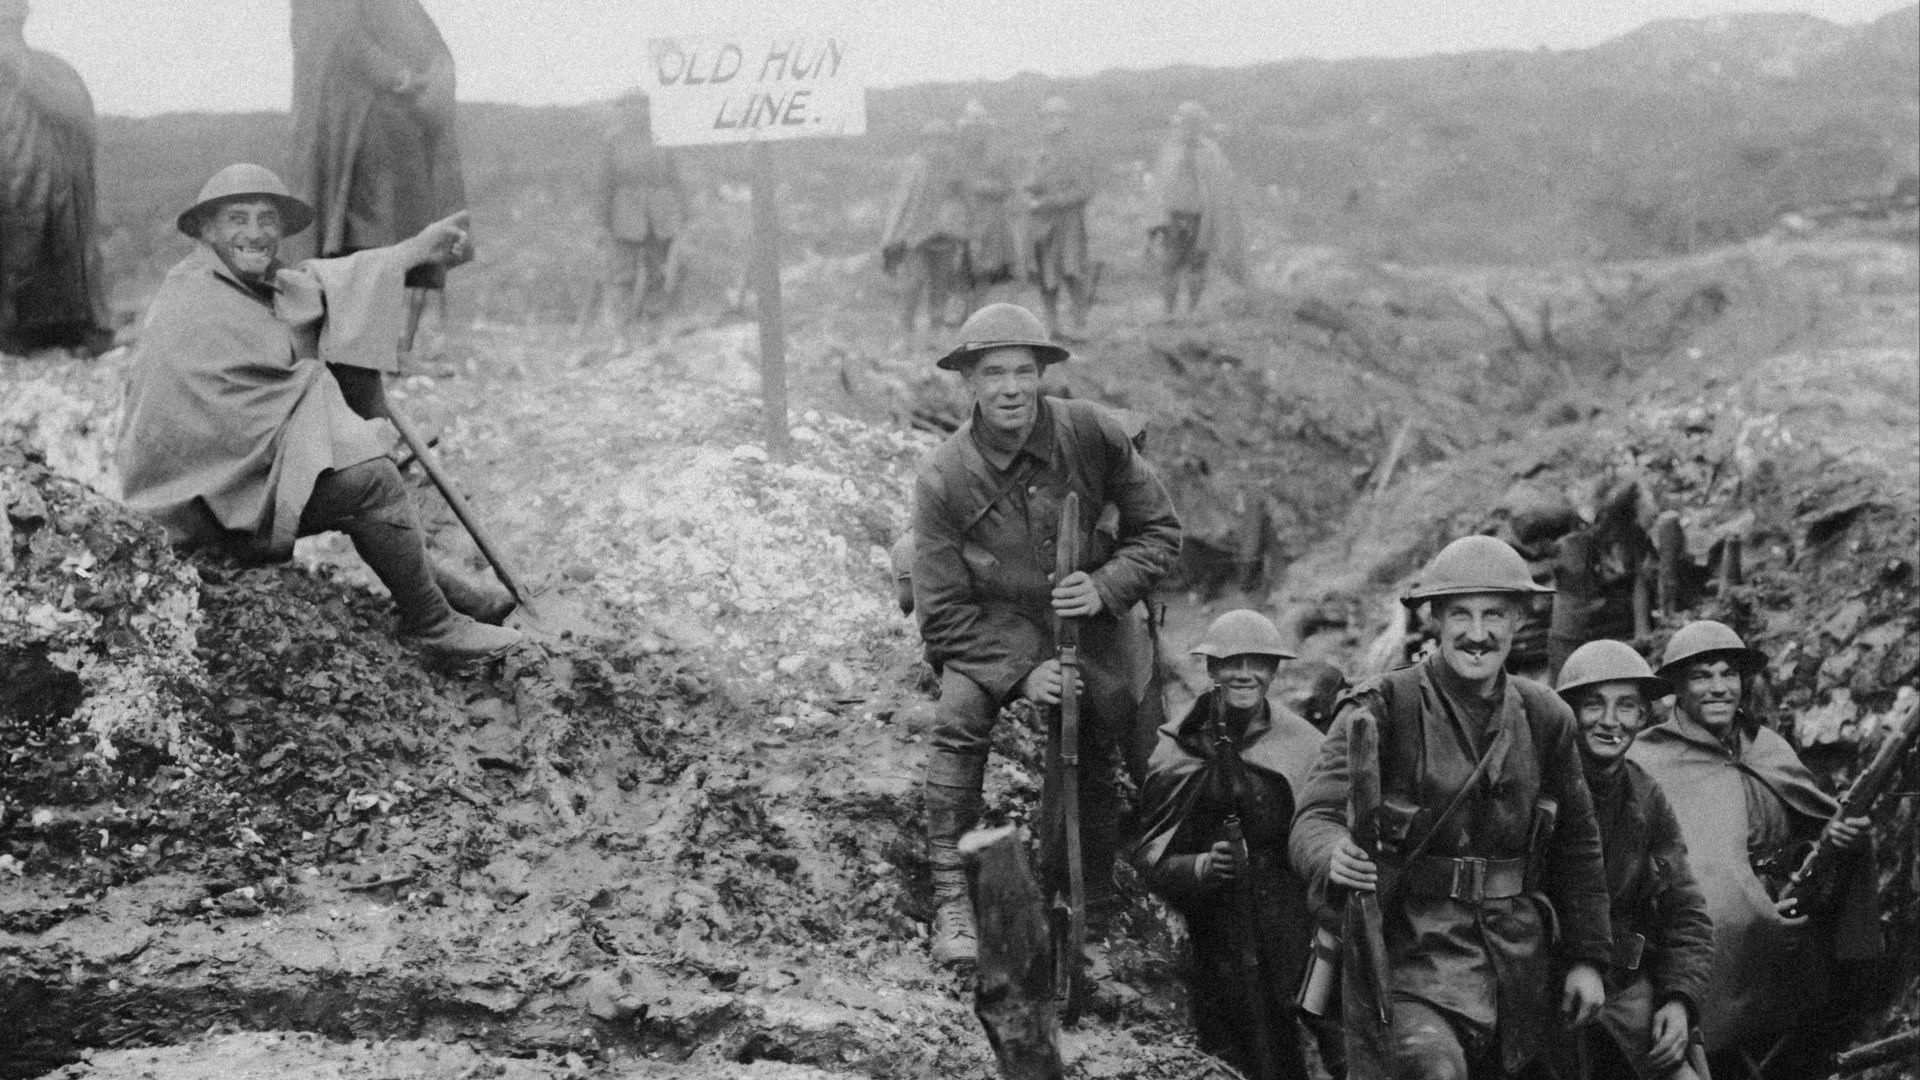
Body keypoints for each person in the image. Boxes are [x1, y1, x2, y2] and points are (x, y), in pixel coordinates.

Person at [115, 164, 519, 667]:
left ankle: (445, 588)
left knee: (349, 456)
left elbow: (319, 285)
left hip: (229, 487)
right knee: (371, 479)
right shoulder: (192, 301)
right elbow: (231, 422)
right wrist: (330, 405)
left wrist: (414, 249)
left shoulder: (249, 284)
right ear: (206, 230)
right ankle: (433, 625)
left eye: (267, 219)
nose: (256, 233)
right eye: (237, 219)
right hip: (197, 514)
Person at [913, 302, 1180, 966]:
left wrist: (1107, 585)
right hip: (995, 624)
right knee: (959, 714)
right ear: (968, 383)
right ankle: (951, 895)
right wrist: (1023, 672)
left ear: (1041, 375)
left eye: (1024, 371)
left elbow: (1160, 533)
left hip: (1087, 609)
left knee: (1145, 737)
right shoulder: (944, 476)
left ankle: (1136, 882)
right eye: (994, 373)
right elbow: (942, 615)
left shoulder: (1091, 433)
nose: (1011, 388)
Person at [1290, 535, 1612, 1080]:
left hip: (1520, 964)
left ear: (1519, 621)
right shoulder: (1382, 707)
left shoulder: (1546, 716)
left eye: (1495, 615)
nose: (1478, 634)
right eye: (1460, 614)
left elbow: (1579, 846)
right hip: (1409, 958)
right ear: (1435, 619)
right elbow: (1313, 819)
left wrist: (1587, 958)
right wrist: (1332, 854)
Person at [1628, 621, 1880, 1079]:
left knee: (1809, 1036)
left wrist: (1838, 845)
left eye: (1729, 674)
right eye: (1702, 676)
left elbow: (1813, 835)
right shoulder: (1647, 761)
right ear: (1677, 690)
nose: (1719, 688)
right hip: (1709, 945)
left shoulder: (1767, 747)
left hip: (1790, 930)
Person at [1133, 609, 1328, 1080]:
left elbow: (1330, 827)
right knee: (1228, 1046)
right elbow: (1148, 858)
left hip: (1291, 922)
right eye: (1231, 662)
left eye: (1257, 662)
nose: (1244, 674)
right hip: (1215, 931)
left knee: (1302, 1041)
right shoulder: (1177, 749)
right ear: (1211, 670)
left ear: (1275, 670)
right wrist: (1200, 867)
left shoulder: (1303, 743)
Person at [1547, 640, 1713, 1080]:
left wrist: (1679, 1000)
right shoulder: (1535, 786)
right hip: (1543, 986)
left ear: (1643, 717)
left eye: (1626, 707)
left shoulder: (1645, 797)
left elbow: (1686, 911)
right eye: (1593, 705)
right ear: (1567, 712)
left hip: (1623, 989)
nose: (1609, 721)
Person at [289, 0, 467, 359]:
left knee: (407, 235)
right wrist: (397, 76)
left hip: (404, 124)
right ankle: (351, 350)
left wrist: (434, 76)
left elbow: (427, 39)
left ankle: (389, 348)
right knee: (363, 237)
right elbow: (338, 36)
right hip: (357, 126)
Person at [0, 0, 109, 356]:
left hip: (52, 213)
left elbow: (81, 121)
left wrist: (24, 74)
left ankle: (62, 328)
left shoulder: (54, 71)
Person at [1147, 101, 1247, 319]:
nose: (1187, 127)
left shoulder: (1211, 152)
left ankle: (1192, 311)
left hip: (1201, 220)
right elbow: (1159, 187)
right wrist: (1155, 222)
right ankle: (1169, 313)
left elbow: (1222, 188)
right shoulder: (1170, 150)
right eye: (1183, 122)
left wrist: (1217, 221)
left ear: (1200, 124)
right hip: (1172, 218)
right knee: (1169, 266)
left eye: (1192, 123)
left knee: (1197, 266)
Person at [598, 92, 687, 332]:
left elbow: (675, 177)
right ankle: (622, 333)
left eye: (640, 105)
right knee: (622, 276)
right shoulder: (614, 140)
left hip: (660, 213)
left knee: (657, 273)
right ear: (622, 110)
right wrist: (603, 221)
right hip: (624, 214)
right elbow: (606, 183)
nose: (635, 111)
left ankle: (653, 326)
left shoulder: (662, 136)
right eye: (629, 106)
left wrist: (682, 212)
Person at [1547, 482, 1654, 680]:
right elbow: (1571, 614)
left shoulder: (1636, 540)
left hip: (1608, 631)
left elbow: (1640, 588)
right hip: (1573, 638)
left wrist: (1642, 633)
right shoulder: (1577, 548)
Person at [880, 119, 967, 334]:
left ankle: (935, 331)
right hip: (916, 235)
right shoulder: (914, 166)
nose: (937, 146)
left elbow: (963, 199)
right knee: (914, 283)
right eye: (932, 141)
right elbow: (901, 203)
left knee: (941, 284)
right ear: (924, 142)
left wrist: (963, 227)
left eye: (941, 141)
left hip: (945, 234)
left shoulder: (954, 167)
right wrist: (890, 237)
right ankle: (906, 330)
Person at [1022, 96, 1098, 341]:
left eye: (1059, 117)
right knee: (1046, 276)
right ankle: (1052, 325)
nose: (1054, 122)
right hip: (1042, 223)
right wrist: (1029, 195)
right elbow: (1029, 183)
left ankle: (1081, 325)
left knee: (1073, 272)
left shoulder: (1078, 151)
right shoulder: (1039, 152)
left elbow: (1085, 190)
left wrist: (1053, 201)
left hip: (1068, 221)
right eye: (1048, 117)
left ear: (1068, 120)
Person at [952, 100, 1019, 316]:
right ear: (965, 129)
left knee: (987, 269)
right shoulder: (957, 157)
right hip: (963, 220)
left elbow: (1009, 186)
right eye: (971, 126)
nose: (975, 131)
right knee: (961, 269)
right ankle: (965, 311)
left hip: (991, 220)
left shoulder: (997, 155)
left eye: (979, 126)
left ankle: (979, 313)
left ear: (986, 129)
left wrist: (987, 187)